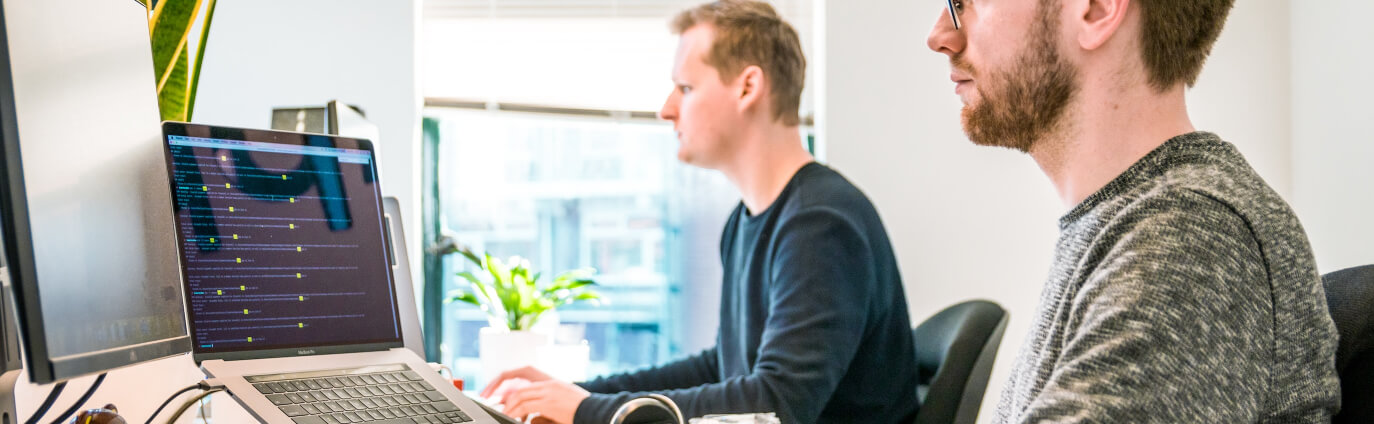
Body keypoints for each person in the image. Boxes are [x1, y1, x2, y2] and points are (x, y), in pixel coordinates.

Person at [481, 1, 918, 423]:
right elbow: (723, 368)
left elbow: (775, 405)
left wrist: (585, 410)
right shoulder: (748, 221)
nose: (666, 109)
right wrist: (580, 393)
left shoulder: (820, 224)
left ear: (748, 87)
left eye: (686, 88)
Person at [924, 0, 1340, 422]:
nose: (941, 36)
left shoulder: (1190, 242)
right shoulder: (1131, 224)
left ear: (1098, 10)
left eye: (967, 2)